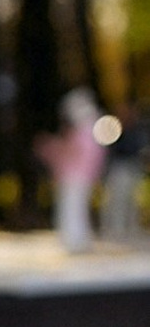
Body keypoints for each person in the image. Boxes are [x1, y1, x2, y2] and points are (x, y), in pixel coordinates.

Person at [36, 87, 105, 254]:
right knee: (76, 208)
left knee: (72, 208)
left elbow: (73, 152)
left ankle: (75, 241)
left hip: (75, 175)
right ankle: (76, 240)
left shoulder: (84, 130)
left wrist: (50, 148)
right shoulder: (93, 129)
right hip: (80, 175)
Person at [99, 102, 146, 245]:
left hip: (132, 168)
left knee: (131, 201)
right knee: (116, 200)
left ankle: (130, 228)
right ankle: (115, 229)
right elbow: (109, 150)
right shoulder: (114, 128)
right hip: (119, 169)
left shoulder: (136, 130)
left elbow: (138, 149)